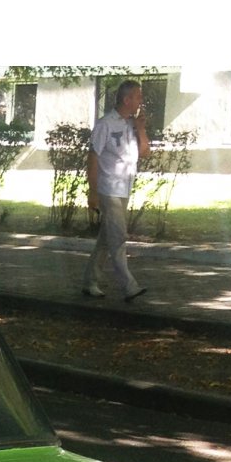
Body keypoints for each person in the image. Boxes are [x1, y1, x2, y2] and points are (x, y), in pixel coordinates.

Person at [83, 80, 151, 302]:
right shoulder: (105, 124)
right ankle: (129, 286)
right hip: (108, 188)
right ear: (127, 99)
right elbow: (92, 157)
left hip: (124, 188)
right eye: (138, 97)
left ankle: (90, 281)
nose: (141, 101)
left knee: (107, 238)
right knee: (118, 236)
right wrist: (92, 192)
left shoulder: (131, 124)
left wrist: (140, 129)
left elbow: (145, 153)